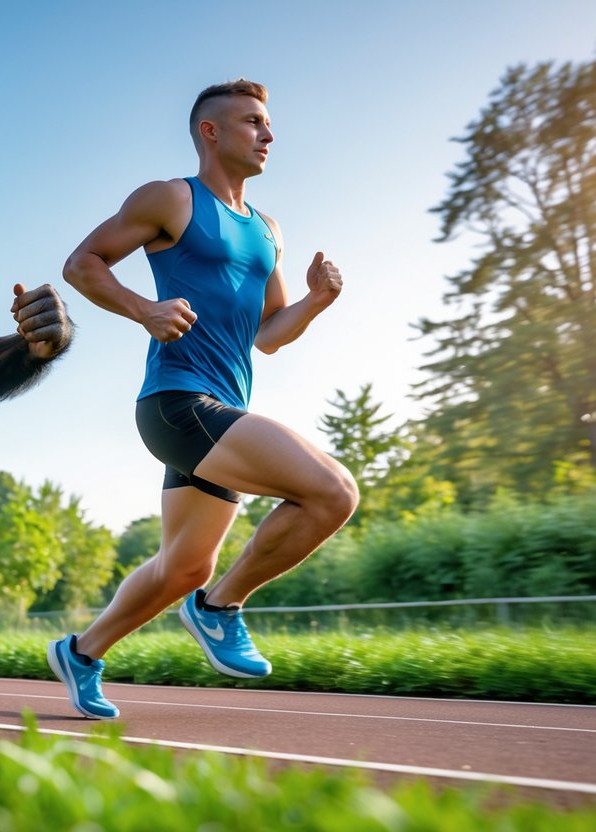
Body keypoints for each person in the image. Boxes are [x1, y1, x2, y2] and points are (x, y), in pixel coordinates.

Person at [48, 80, 358, 719]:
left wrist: (314, 303)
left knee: (184, 566)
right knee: (332, 492)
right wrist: (145, 311)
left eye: (269, 124)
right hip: (177, 401)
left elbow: (268, 335)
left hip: (217, 411)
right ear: (210, 132)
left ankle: (80, 652)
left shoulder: (267, 229)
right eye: (253, 122)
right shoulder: (171, 198)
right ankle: (220, 609)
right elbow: (83, 263)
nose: (268, 135)